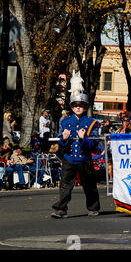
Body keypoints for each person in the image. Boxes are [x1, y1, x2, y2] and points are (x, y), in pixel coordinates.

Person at [51, 70, 101, 218]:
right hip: (69, 158)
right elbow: (61, 143)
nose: (77, 108)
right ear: (72, 107)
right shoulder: (65, 121)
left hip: (85, 159)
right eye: (75, 105)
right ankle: (61, 209)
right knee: (65, 186)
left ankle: (93, 207)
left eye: (81, 105)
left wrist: (84, 138)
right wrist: (65, 139)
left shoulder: (92, 123)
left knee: (89, 185)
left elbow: (94, 145)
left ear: (85, 106)